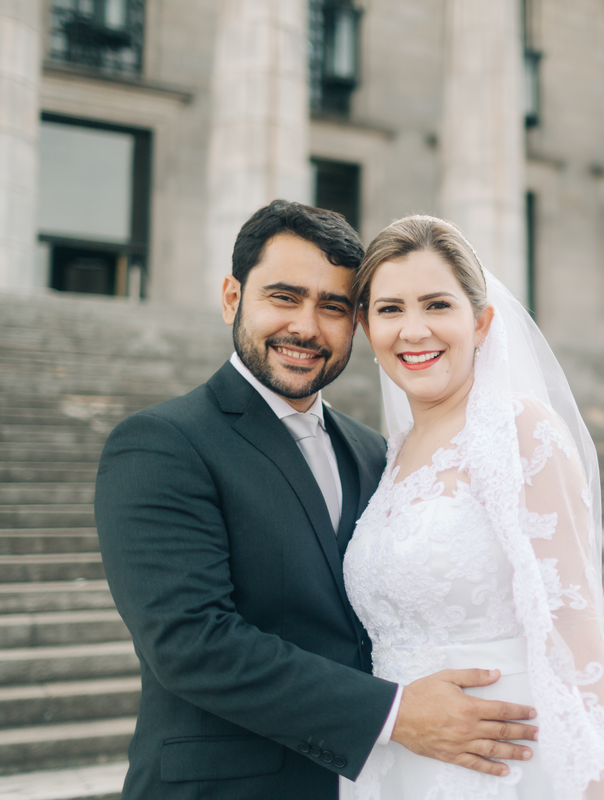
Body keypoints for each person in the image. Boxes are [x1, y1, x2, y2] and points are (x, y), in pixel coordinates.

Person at [94, 201, 538, 800]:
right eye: (283, 297)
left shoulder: (378, 452)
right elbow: (190, 642)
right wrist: (397, 714)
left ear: (356, 322)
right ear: (232, 298)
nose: (306, 327)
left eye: (332, 306)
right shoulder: (161, 444)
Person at [341, 215, 604, 799]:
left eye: (437, 305)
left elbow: (575, 624)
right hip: (392, 762)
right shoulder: (393, 454)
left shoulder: (519, 430)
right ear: (364, 325)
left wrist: (601, 781)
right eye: (389, 309)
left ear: (481, 322)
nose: (413, 330)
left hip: (498, 762)